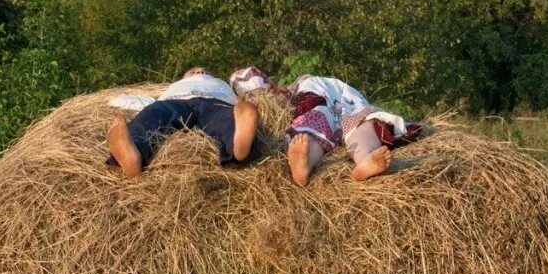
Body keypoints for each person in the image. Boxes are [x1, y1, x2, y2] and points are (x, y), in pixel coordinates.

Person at [231, 69, 427, 186]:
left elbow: (294, 94)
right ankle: (303, 165)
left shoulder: (301, 87)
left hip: (340, 103)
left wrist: (283, 96)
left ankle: (365, 162)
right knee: (309, 131)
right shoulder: (281, 112)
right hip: (320, 112)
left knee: (363, 125)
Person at [107, 67, 258, 177]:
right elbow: (146, 102)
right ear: (184, 77)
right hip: (177, 101)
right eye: (193, 71)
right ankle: (132, 154)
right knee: (153, 114)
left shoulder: (222, 84)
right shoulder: (174, 86)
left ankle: (238, 146)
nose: (199, 72)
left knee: (225, 118)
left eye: (205, 71)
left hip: (214, 102)